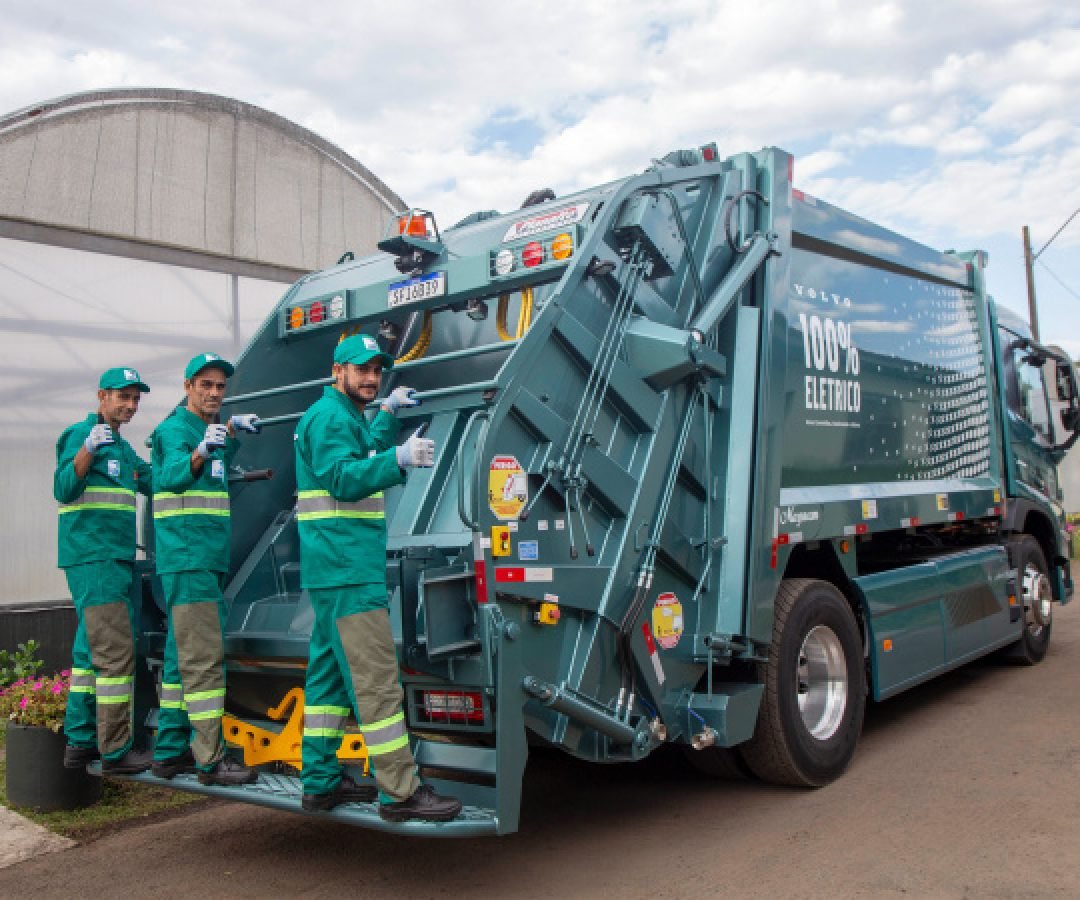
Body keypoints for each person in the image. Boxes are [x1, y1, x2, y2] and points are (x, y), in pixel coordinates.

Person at [294, 333, 462, 821]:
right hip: (347, 568)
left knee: (327, 683)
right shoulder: (330, 418)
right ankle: (400, 793)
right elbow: (343, 477)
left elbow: (362, 452)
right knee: (376, 684)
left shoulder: (342, 415)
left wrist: (386, 413)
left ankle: (320, 782)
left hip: (335, 569)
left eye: (376, 371)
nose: (371, 377)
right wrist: (399, 459)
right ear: (337, 370)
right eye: (361, 369)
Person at [150, 352, 262, 785]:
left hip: (204, 557)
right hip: (189, 557)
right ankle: (210, 759)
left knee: (180, 658)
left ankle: (169, 750)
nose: (215, 393)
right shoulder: (173, 431)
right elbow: (173, 477)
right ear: (188, 387)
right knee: (203, 660)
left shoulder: (205, 429)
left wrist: (229, 433)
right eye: (206, 385)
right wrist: (201, 450)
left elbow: (214, 469)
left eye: (220, 386)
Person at [54, 367, 154, 775]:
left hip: (114, 558)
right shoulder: (81, 435)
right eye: (123, 397)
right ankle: (115, 751)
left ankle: (79, 740)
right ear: (102, 396)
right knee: (114, 653)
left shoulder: (123, 448)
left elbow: (155, 481)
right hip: (95, 558)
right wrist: (87, 450)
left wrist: (207, 455)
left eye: (135, 399)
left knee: (88, 653)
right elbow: (63, 488)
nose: (130, 405)